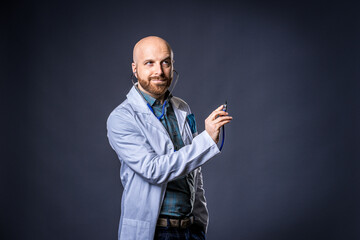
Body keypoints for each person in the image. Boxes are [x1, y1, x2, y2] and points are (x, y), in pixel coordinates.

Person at [107, 36, 232, 240]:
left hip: (190, 229)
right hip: (156, 232)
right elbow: (153, 170)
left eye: (166, 62)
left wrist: (199, 223)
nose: (159, 71)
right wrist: (207, 139)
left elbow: (193, 171)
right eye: (149, 63)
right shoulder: (121, 118)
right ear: (135, 68)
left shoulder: (182, 108)